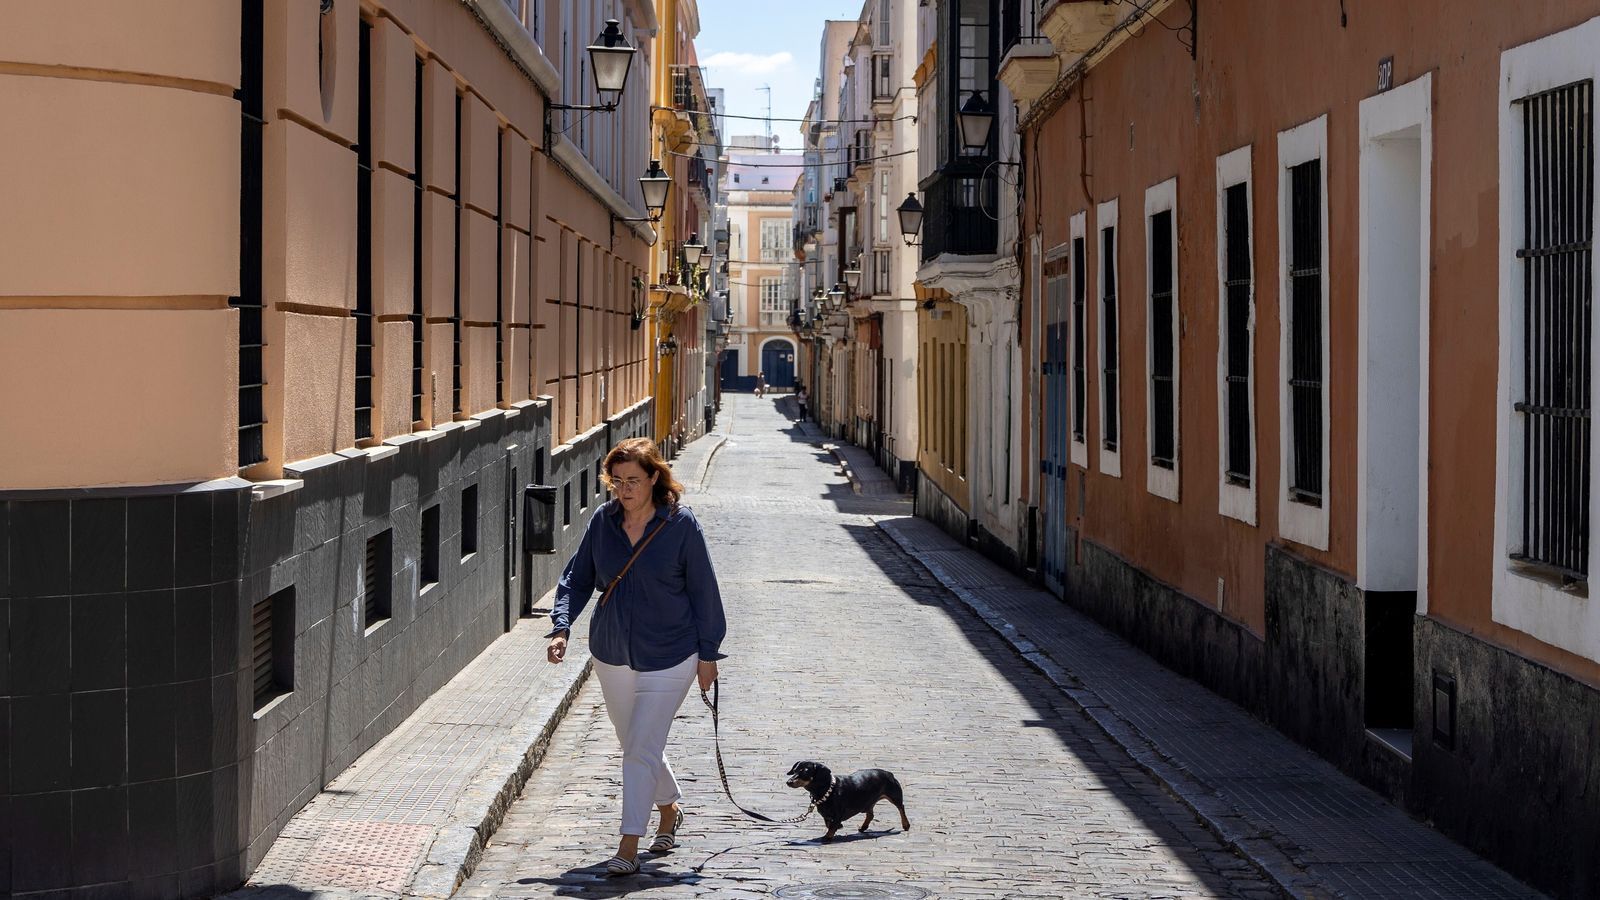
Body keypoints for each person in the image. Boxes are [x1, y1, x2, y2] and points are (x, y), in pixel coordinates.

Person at [545, 437, 727, 876]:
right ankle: (668, 810)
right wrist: (561, 627)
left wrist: (708, 655)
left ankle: (628, 845)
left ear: (653, 480)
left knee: (639, 748)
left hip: (672, 653)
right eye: (617, 481)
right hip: (612, 652)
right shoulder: (602, 524)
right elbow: (576, 578)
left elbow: (704, 591)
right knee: (636, 744)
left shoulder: (681, 526)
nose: (624, 489)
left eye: (633, 480)